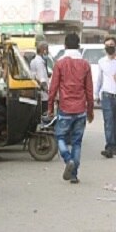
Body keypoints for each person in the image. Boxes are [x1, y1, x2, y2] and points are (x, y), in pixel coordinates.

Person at [48, 33, 94, 184]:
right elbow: (89, 90)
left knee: (60, 137)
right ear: (79, 46)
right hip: (80, 109)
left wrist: (49, 108)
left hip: (65, 109)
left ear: (65, 46)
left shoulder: (59, 64)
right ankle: (74, 175)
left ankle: (68, 159)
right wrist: (90, 110)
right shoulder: (85, 65)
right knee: (77, 142)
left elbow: (53, 88)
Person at [96, 35, 116, 158]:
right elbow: (99, 79)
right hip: (107, 95)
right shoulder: (101, 62)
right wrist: (96, 94)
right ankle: (109, 147)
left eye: (112, 46)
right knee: (108, 122)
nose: (109, 48)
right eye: (107, 46)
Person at [30, 41, 50, 114]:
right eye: (47, 49)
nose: (48, 52)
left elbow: (35, 76)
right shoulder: (39, 62)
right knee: (44, 115)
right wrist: (49, 93)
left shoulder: (33, 61)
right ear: (43, 49)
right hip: (44, 96)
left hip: (38, 95)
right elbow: (42, 80)